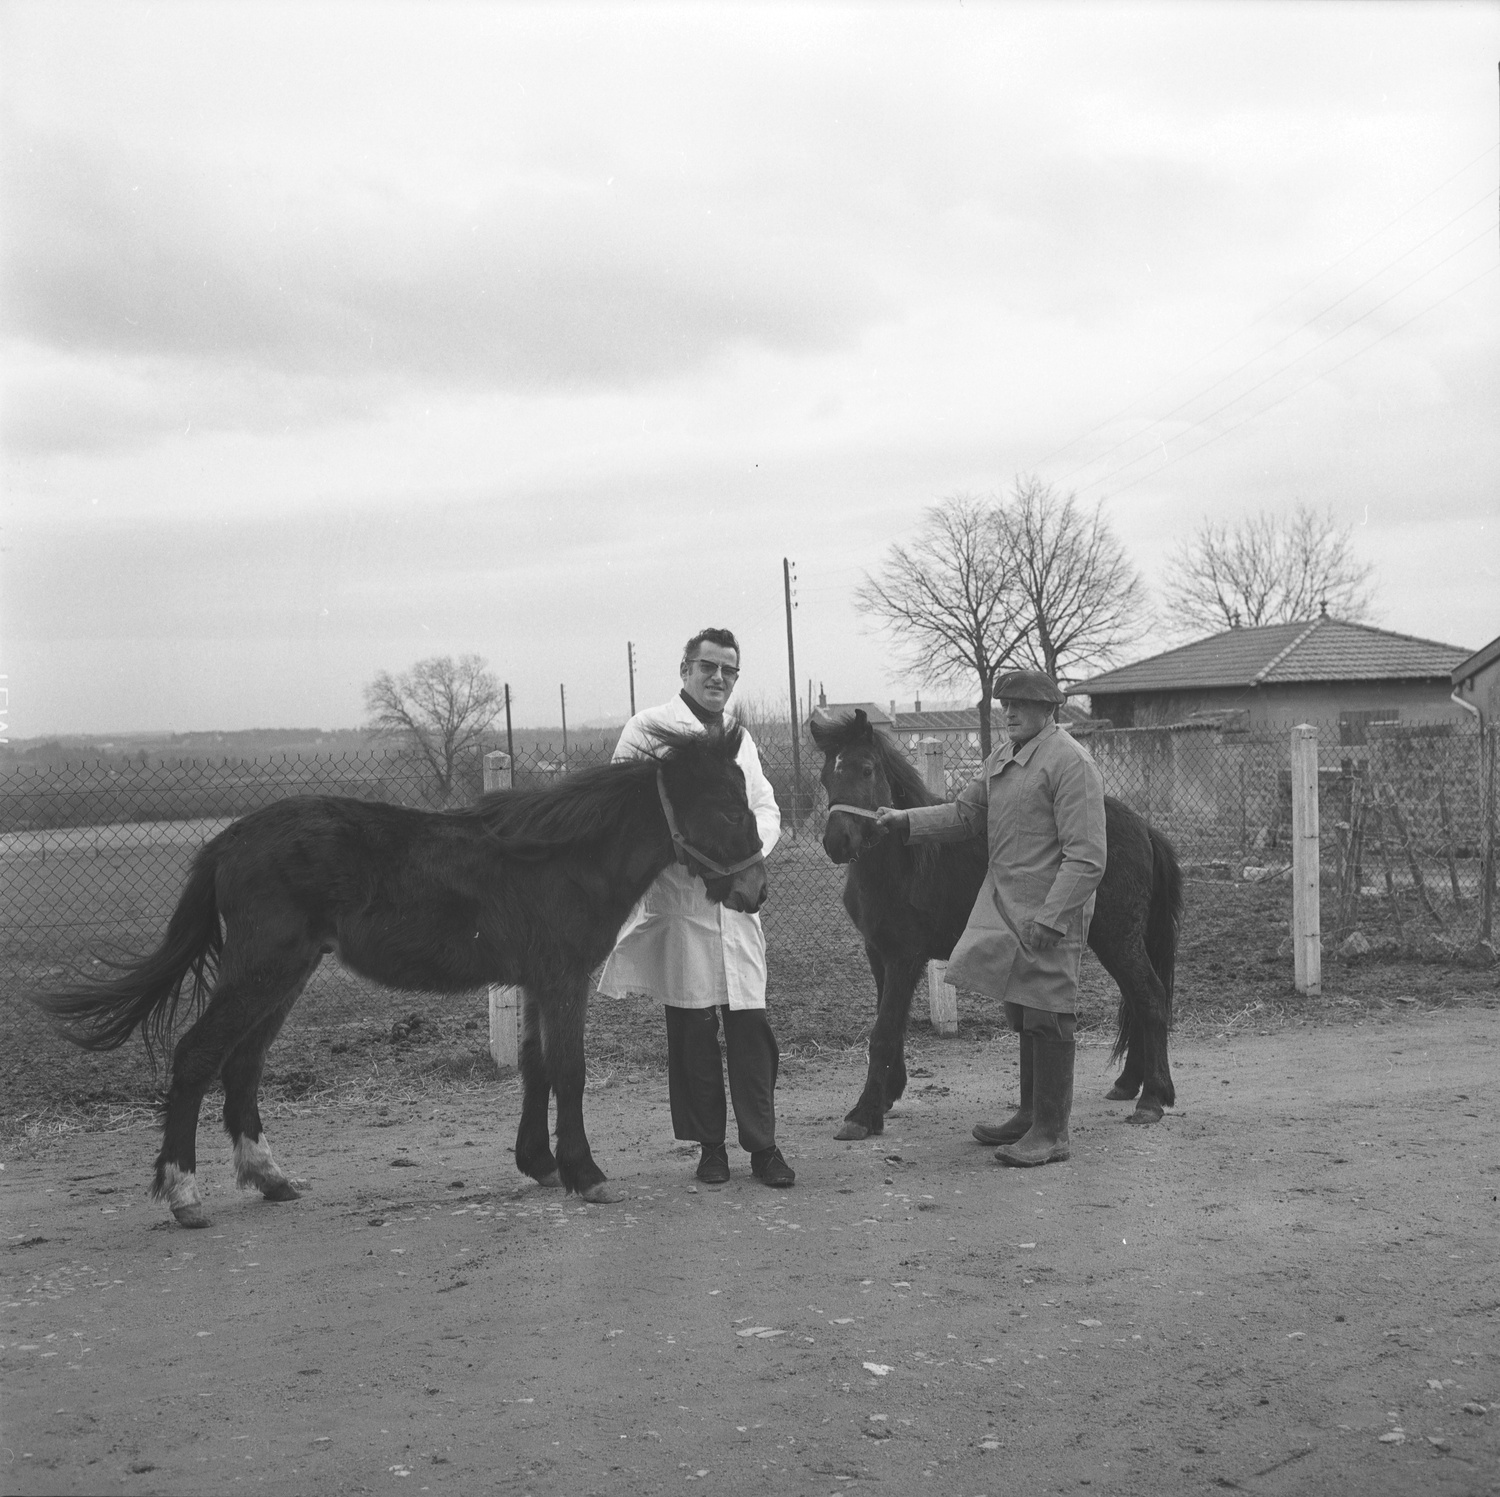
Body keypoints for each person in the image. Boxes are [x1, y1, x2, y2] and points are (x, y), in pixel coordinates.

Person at [874, 669, 1106, 1167]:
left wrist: (1054, 918)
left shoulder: (1071, 762)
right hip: (1004, 906)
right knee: (1022, 1010)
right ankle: (1028, 1115)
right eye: (1005, 705)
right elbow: (964, 815)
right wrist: (904, 822)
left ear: (1050, 710)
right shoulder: (1004, 757)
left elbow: (1087, 857)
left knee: (1049, 1012)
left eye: (1021, 705)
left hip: (1049, 910)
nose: (1011, 714)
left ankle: (1053, 1132)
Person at [596, 627, 795, 1188]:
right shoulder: (648, 731)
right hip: (681, 904)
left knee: (751, 1027)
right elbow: (625, 815)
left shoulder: (739, 737)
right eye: (708, 667)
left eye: (729, 671)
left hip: (736, 902)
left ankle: (763, 1147)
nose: (718, 678)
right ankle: (711, 1148)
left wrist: (739, 858)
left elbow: (765, 808)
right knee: (692, 1028)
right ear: (685, 668)